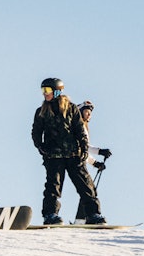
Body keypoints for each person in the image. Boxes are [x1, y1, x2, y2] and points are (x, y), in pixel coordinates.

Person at [31, 77, 104, 225]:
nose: (45, 94)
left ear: (57, 92)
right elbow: (36, 132)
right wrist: (41, 147)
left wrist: (84, 149)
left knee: (85, 185)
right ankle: (50, 214)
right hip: (53, 156)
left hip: (74, 155)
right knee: (53, 186)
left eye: (48, 90)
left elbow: (79, 130)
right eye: (43, 90)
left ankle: (93, 214)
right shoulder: (42, 111)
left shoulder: (71, 109)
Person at [74, 100, 114, 222]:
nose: (89, 115)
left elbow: (84, 151)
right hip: (75, 162)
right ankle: (85, 219)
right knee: (88, 190)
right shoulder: (78, 126)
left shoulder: (84, 127)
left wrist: (95, 163)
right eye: (86, 112)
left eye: (90, 113)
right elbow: (83, 148)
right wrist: (99, 152)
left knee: (88, 190)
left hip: (79, 161)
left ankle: (80, 220)